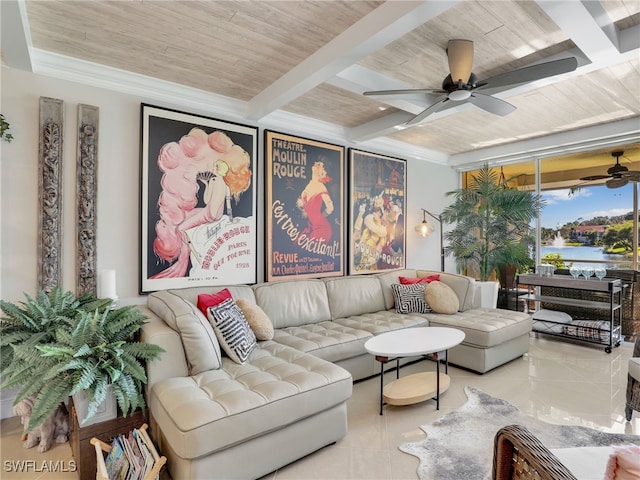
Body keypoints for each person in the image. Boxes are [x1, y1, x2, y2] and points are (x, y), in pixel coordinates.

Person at [150, 128, 251, 278]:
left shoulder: (220, 182)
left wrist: (210, 216)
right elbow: (206, 200)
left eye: (216, 166)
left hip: (211, 214)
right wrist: (206, 183)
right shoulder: (216, 180)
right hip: (210, 212)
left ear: (220, 168)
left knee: (182, 228)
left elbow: (212, 208)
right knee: (186, 217)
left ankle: (183, 264)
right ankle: (188, 255)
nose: (213, 167)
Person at [297, 159, 334, 242]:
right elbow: (302, 204)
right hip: (309, 225)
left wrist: (319, 216)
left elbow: (330, 208)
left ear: (322, 173)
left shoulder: (321, 187)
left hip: (321, 228)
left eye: (319, 166)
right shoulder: (309, 185)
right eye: (316, 164)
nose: (315, 165)